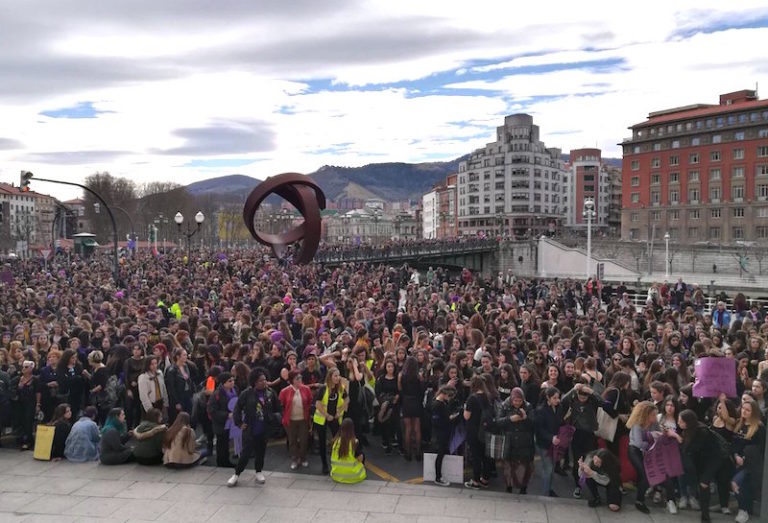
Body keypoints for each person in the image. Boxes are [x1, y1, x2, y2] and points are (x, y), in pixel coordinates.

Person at [669, 409, 734, 523]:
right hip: (704, 460)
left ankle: (705, 516)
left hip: (716, 459)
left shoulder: (701, 431)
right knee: (703, 484)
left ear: (687, 422)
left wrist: (677, 437)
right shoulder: (690, 430)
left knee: (704, 483)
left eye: (681, 421)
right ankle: (705, 514)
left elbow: (691, 448)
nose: (678, 423)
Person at [228, 367, 281, 487]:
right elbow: (237, 409)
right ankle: (236, 474)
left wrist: (275, 418)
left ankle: (259, 472)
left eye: (265, 380)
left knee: (261, 452)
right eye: (261, 380)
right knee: (246, 453)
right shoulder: (246, 394)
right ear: (254, 382)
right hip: (250, 429)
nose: (264, 382)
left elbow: (278, 408)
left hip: (264, 428)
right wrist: (239, 423)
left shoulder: (270, 393)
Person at [626, 400, 677, 514]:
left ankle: (670, 500)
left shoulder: (654, 423)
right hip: (635, 451)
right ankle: (639, 501)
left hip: (649, 451)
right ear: (646, 415)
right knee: (645, 474)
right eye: (653, 414)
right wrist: (651, 440)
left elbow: (658, 437)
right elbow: (638, 443)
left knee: (662, 473)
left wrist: (659, 437)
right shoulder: (637, 425)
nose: (655, 417)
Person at [730, 398, 765, 523]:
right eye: (743, 409)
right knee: (741, 487)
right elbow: (733, 444)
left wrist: (745, 457)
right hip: (737, 462)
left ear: (753, 412)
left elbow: (760, 449)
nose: (744, 412)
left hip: (750, 464)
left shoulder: (759, 428)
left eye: (748, 410)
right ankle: (744, 509)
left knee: (736, 483)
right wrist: (735, 456)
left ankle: (743, 511)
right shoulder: (740, 424)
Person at [495, 387, 535, 494]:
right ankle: (509, 486)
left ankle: (523, 487)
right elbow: (498, 422)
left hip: (524, 442)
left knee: (524, 466)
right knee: (508, 466)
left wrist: (525, 418)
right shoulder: (504, 406)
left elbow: (533, 424)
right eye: (515, 401)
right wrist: (510, 419)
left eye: (520, 401)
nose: (517, 403)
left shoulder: (528, 407)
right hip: (509, 441)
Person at [313, 367, 348, 475]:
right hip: (322, 419)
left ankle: (336, 462)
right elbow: (318, 404)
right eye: (335, 376)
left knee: (337, 441)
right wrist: (326, 415)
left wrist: (340, 411)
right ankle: (324, 465)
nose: (338, 378)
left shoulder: (341, 388)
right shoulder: (323, 388)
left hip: (335, 419)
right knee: (322, 442)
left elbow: (347, 399)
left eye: (339, 376)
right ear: (330, 377)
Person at [278, 369, 313, 470]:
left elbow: (310, 401)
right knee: (292, 441)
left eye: (300, 378)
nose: (300, 380)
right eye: (297, 378)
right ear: (292, 380)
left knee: (303, 440)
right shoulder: (284, 391)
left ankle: (303, 458)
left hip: (303, 419)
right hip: (290, 420)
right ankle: (294, 459)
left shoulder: (306, 389)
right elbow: (281, 405)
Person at [463, 375, 492, 490]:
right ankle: (485, 479)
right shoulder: (487, 396)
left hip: (474, 431)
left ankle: (475, 481)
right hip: (485, 430)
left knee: (476, 457)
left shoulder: (472, 398)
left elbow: (466, 416)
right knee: (485, 456)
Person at [534, 387, 562, 497]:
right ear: (548, 398)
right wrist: (551, 437)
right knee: (548, 469)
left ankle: (549, 489)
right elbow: (539, 430)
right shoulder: (541, 410)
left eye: (558, 398)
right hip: (544, 444)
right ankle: (545, 493)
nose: (557, 400)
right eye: (554, 398)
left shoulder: (559, 407)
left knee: (551, 467)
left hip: (554, 444)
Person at [207, 371, 237, 467]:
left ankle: (226, 461)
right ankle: (221, 462)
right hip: (221, 423)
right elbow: (212, 410)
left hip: (231, 422)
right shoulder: (217, 394)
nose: (232, 382)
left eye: (233, 380)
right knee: (221, 444)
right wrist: (227, 415)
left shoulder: (235, 390)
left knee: (226, 443)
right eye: (230, 381)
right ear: (224, 383)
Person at [431, 385, 457, 486]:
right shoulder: (437, 405)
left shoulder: (441, 403)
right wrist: (449, 418)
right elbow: (436, 421)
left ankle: (439, 476)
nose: (450, 398)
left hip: (443, 431)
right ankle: (438, 477)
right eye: (450, 396)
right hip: (441, 432)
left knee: (441, 454)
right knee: (440, 454)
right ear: (445, 394)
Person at [399, 356, 424, 461]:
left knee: (408, 429)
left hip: (406, 402)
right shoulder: (418, 376)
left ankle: (407, 453)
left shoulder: (402, 376)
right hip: (416, 402)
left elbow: (400, 390)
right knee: (417, 428)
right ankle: (418, 453)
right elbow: (422, 390)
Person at [330, 418, 366, 484]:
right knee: (362, 454)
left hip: (336, 475)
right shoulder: (354, 442)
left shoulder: (335, 441)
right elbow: (360, 459)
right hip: (353, 476)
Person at [165, 348, 195, 424]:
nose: (186, 357)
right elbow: (171, 388)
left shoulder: (185, 366)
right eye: (184, 355)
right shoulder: (172, 370)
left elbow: (189, 380)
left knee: (188, 414)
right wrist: (176, 402)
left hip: (187, 394)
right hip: (178, 396)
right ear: (178, 357)